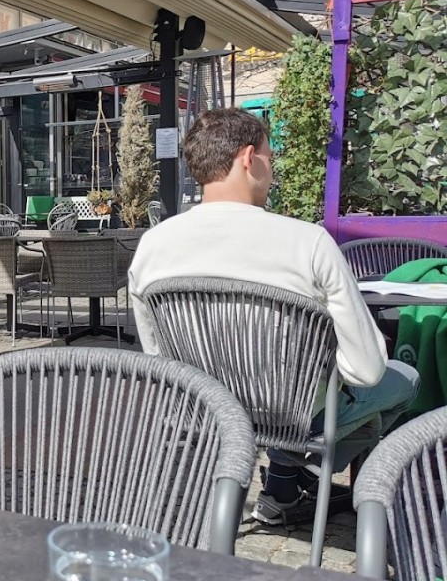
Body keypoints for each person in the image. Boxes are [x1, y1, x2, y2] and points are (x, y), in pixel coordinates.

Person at [127, 108, 419, 526]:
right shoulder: (308, 243)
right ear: (249, 158)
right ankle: (295, 471)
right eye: (270, 157)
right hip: (294, 415)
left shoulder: (153, 246)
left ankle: (286, 476)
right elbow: (366, 370)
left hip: (206, 410)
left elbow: (159, 361)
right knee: (404, 380)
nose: (272, 168)